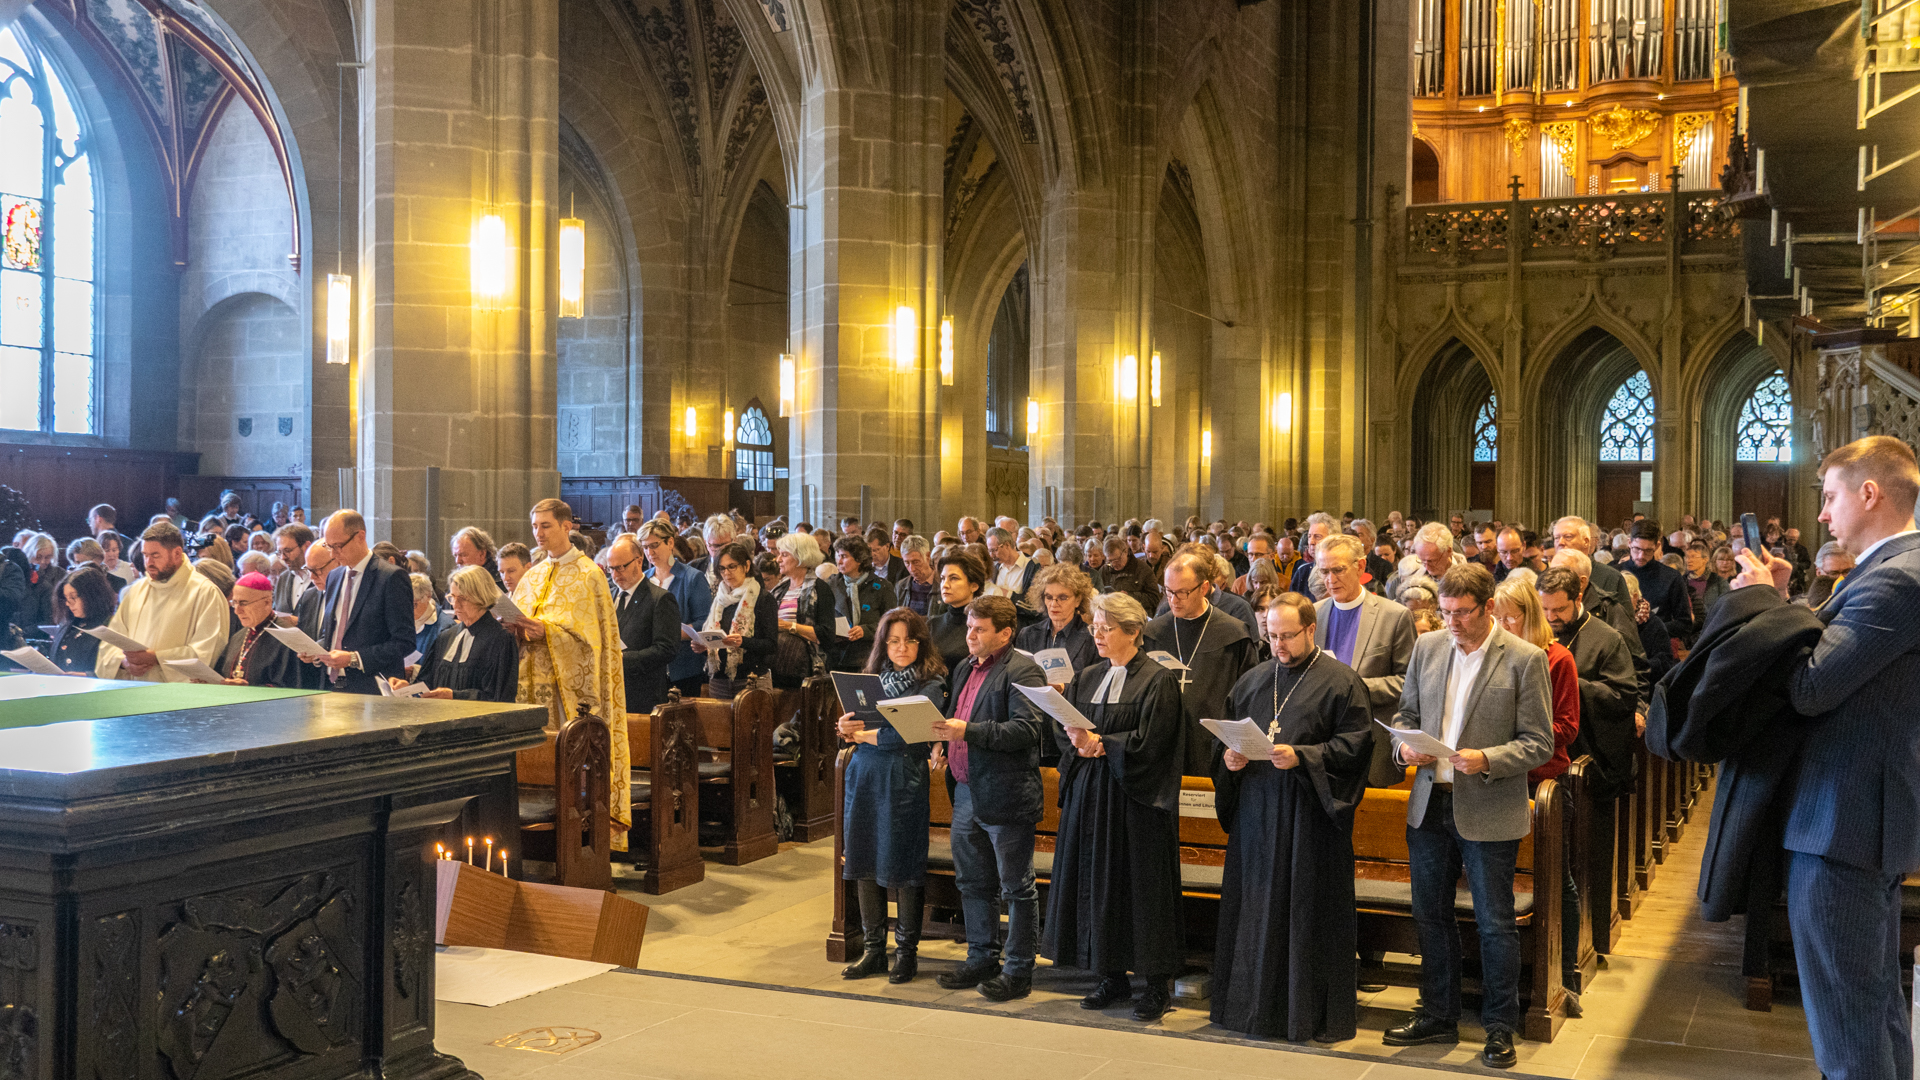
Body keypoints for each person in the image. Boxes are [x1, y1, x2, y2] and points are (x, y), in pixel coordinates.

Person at [1730, 435, 1920, 1080]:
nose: (1822, 514)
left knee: (1849, 1023)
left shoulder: (1897, 578)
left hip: (1845, 820)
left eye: (1830, 495)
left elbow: (1811, 688)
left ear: (1870, 494)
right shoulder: (1882, 571)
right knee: (1872, 1009)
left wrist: (1761, 605)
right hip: (1855, 818)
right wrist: (1788, 603)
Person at [1382, 563, 1552, 1069]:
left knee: (1494, 922)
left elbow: (1539, 742)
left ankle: (1499, 1026)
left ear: (1489, 607)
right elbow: (1406, 716)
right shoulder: (1428, 648)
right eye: (1445, 611)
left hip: (1487, 804)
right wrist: (1404, 747)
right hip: (1431, 802)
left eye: (1462, 613)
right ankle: (1438, 1012)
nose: (1451, 622)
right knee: (1429, 915)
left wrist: (1488, 760)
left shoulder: (1525, 659)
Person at [1211, 592, 1373, 1042]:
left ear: (1310, 630)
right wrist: (1230, 759)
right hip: (1257, 816)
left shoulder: (1342, 682)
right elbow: (1227, 736)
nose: (1278, 645)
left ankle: (1308, 1015)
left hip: (1310, 821)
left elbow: (1356, 746)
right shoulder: (1253, 680)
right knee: (1254, 909)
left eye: (1286, 636)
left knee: (1307, 912)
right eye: (1271, 635)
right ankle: (1250, 1009)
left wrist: (1303, 756)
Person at [1044, 590, 1186, 1020]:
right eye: (1095, 627)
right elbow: (1068, 733)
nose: (1097, 634)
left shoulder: (1157, 680)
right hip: (1091, 798)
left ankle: (1155, 984)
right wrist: (1072, 739)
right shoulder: (1088, 676)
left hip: (1134, 802)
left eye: (1106, 628)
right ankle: (1110, 975)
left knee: (1140, 890)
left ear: (1134, 632)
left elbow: (1156, 745)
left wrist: (1104, 745)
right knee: (1095, 884)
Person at [930, 596, 1046, 1001]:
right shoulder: (964, 667)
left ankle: (1018, 970)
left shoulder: (1024, 670)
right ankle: (981, 956)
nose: (970, 635)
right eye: (968, 628)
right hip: (965, 791)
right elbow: (955, 718)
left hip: (1005, 793)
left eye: (979, 629)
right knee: (974, 882)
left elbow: (1025, 730)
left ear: (1005, 633)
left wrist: (968, 732)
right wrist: (942, 743)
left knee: (1016, 886)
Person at [836, 608, 949, 984]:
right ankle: (873, 950)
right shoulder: (870, 680)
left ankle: (906, 954)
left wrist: (864, 735)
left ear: (922, 643)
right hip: (864, 774)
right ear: (883, 644)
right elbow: (854, 725)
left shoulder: (931, 683)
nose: (901, 648)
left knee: (900, 864)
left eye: (909, 640)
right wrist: (845, 727)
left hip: (902, 778)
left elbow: (910, 735)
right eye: (894, 640)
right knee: (864, 858)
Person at [511, 498, 631, 851]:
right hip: (530, 686)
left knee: (570, 764)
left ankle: (580, 840)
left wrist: (546, 632)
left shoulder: (589, 574)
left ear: (567, 526)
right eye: (535, 526)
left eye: (546, 526)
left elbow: (593, 643)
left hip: (570, 696)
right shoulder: (531, 575)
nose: (539, 533)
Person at [1490, 577, 1584, 1001]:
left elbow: (1567, 726)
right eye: (1498, 615)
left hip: (1542, 781)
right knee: (1495, 878)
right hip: (1497, 780)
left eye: (1511, 615)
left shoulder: (1556, 658)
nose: (1503, 623)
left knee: (1554, 877)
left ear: (1529, 615)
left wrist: (1515, 736)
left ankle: (1565, 975)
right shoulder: (1491, 656)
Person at [1312, 533, 1416, 788]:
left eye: (1338, 570)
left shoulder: (1394, 616)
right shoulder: (1315, 614)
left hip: (1372, 746)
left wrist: (1354, 688)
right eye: (1323, 571)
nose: (1330, 579)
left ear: (1360, 566)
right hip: (1322, 748)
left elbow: (1410, 684)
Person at [1143, 552, 1260, 775]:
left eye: (1182, 593)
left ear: (1204, 587)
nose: (1173, 600)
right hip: (1162, 746)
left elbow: (1249, 699)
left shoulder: (1234, 634)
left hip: (1214, 747)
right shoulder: (1153, 633)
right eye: (1168, 591)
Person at [92, 522, 229, 682]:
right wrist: (123, 663)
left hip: (179, 698)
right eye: (145, 555)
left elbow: (206, 652)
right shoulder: (135, 591)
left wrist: (157, 658)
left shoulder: (205, 592)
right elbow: (110, 645)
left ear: (177, 553)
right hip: (134, 692)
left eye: (155, 556)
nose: (148, 563)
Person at [300, 510, 415, 694]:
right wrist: (317, 651)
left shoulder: (390, 577)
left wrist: (354, 658)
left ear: (360, 536)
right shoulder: (334, 577)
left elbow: (404, 642)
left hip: (371, 687)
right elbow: (334, 635)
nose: (334, 554)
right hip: (331, 685)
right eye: (329, 547)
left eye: (338, 546)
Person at [413, 565, 521, 702]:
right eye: (452, 597)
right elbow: (427, 683)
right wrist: (408, 688)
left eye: (463, 599)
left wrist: (455, 696)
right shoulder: (446, 637)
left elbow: (499, 697)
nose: (455, 606)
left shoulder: (500, 640)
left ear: (482, 597)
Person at [606, 533, 680, 714]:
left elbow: (666, 649)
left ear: (639, 562)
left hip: (642, 695)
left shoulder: (660, 599)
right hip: (610, 692)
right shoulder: (608, 596)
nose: (616, 575)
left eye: (621, 567)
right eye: (611, 569)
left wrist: (623, 660)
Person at [694, 538, 776, 699]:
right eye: (722, 568)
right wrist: (704, 648)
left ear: (746, 566)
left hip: (752, 679)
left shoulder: (763, 598)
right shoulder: (719, 599)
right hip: (719, 680)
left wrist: (743, 642)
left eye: (732, 567)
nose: (726, 573)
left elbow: (772, 645)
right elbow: (718, 644)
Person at [639, 521, 712, 699]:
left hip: (684, 668)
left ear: (670, 543)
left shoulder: (693, 577)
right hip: (651, 669)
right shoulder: (644, 580)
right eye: (645, 547)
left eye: (654, 545)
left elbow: (705, 623)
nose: (650, 552)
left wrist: (666, 634)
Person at [214, 572, 319, 688]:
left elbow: (293, 688)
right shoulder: (237, 637)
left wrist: (248, 690)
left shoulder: (289, 639)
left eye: (243, 603)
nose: (237, 611)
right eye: (234, 603)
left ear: (267, 602)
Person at [1014, 562, 1099, 694]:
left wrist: (1065, 688)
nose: (1054, 604)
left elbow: (1095, 685)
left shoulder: (1092, 637)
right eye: (1048, 597)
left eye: (1062, 597)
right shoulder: (1028, 634)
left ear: (1078, 600)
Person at [771, 532, 835, 690]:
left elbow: (826, 635)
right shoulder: (780, 589)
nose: (778, 559)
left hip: (805, 669)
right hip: (777, 666)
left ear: (801, 557)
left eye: (784, 555)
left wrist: (788, 626)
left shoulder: (820, 589)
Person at [827, 535, 895, 672]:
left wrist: (865, 631)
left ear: (859, 559)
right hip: (837, 658)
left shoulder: (882, 587)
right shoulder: (831, 584)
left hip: (869, 657)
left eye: (844, 556)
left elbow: (891, 624)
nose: (839, 561)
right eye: (837, 556)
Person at [1619, 521, 1695, 642]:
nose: (1641, 556)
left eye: (1648, 551)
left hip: (1657, 649)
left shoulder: (1671, 577)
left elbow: (1685, 624)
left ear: (1657, 546)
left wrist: (1653, 628)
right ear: (1629, 543)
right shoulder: (1614, 573)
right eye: (1636, 549)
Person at [49, 564, 116, 674]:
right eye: (66, 598)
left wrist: (87, 676)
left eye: (73, 597)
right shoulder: (69, 624)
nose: (68, 603)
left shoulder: (111, 625)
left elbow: (115, 668)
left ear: (91, 596)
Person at [928, 550, 985, 673]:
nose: (945, 585)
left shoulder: (982, 627)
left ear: (974, 586)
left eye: (953, 578)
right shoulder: (932, 624)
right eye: (943, 578)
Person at [19, 532, 63, 629]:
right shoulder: (21, 575)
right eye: (38, 557)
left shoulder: (61, 575)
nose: (43, 562)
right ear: (29, 554)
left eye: (47, 557)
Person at [271, 524, 317, 616]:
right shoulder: (283, 578)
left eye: (287, 550)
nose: (283, 557)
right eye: (279, 552)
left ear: (307, 546)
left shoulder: (323, 576)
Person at [409, 572, 452, 667]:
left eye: (413, 604)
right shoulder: (398, 622)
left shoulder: (445, 629)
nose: (406, 610)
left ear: (428, 597)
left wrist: (414, 671)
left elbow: (444, 671)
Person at [896, 535, 938, 615]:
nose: (912, 569)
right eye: (907, 563)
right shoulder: (901, 586)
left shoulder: (942, 585)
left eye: (916, 562)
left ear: (928, 556)